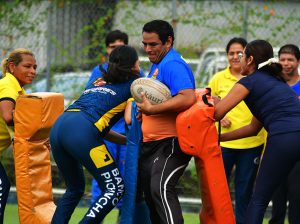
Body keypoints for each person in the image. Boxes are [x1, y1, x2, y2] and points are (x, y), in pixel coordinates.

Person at [50, 45, 140, 224]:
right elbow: (129, 119)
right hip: (82, 132)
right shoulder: (134, 84)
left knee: (74, 189)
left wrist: (127, 141)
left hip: (60, 127)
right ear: (134, 65)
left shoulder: (98, 80)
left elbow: (100, 126)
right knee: (115, 188)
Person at [213, 39, 300, 223]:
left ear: (250, 60)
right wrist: (219, 138)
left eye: (242, 55)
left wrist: (213, 100)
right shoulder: (275, 82)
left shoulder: (248, 82)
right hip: (292, 135)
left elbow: (217, 113)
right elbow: (253, 128)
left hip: (285, 137)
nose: (239, 59)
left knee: (259, 199)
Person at [136, 20, 196, 224]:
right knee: (152, 198)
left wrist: (152, 109)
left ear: (168, 41)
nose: (147, 49)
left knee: (160, 188)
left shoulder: (172, 63)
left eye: (153, 44)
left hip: (171, 142)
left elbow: (187, 97)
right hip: (151, 143)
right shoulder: (158, 63)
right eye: (144, 44)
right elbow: (161, 99)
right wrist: (144, 111)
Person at [208, 37, 265, 224]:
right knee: (217, 191)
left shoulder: (256, 78)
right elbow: (209, 105)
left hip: (251, 144)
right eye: (231, 53)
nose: (234, 57)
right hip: (223, 143)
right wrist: (220, 114)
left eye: (239, 53)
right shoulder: (218, 78)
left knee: (244, 193)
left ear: (248, 57)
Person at [87, 30, 129, 221]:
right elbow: (91, 97)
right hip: (105, 134)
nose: (116, 51)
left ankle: (124, 219)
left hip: (128, 136)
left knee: (128, 181)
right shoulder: (100, 70)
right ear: (107, 49)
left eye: (120, 47)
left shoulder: (136, 72)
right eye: (113, 47)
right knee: (103, 181)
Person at [0, 48, 37, 223]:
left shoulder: (21, 92)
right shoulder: (8, 84)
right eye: (28, 66)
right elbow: (8, 116)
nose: (33, 71)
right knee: (2, 186)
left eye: (35, 67)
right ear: (12, 67)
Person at [269, 44, 300, 224]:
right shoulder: (273, 84)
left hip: (297, 147)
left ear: (298, 62)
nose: (286, 63)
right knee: (277, 195)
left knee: (296, 195)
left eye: (290, 59)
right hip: (275, 146)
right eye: (283, 59)